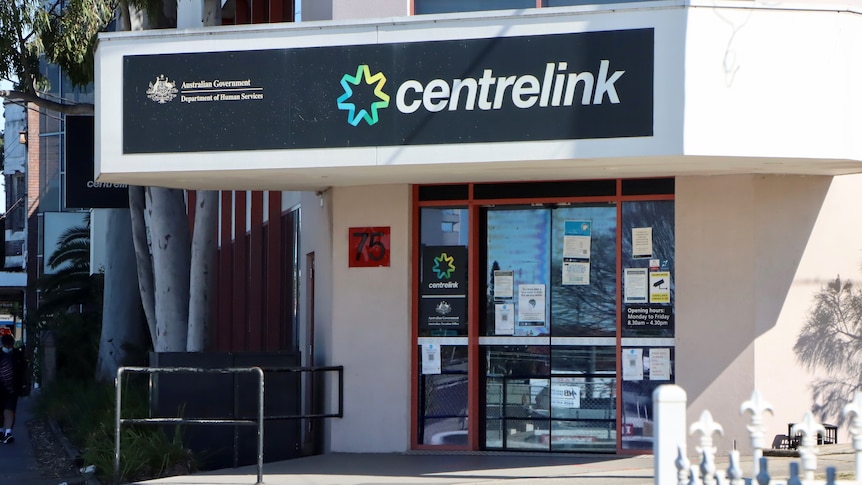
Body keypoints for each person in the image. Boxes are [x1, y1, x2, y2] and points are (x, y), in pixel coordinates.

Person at [0, 334, 27, 444]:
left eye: (9, 345)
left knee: (10, 409)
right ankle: (2, 431)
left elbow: (24, 370)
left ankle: (8, 432)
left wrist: (25, 385)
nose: (8, 346)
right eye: (7, 345)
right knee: (1, 411)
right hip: (0, 388)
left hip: (13, 388)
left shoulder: (18, 355)